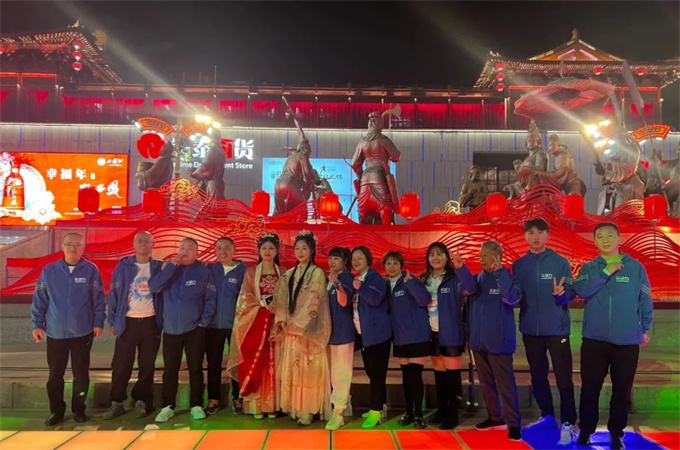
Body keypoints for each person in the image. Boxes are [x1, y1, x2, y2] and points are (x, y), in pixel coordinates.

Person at [574, 222, 653, 450]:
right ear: (595, 241)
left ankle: (616, 433)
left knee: (622, 389)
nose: (605, 240)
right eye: (600, 236)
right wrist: (606, 272)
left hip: (626, 341)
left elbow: (645, 300)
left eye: (610, 235)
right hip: (594, 340)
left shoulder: (636, 268)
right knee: (590, 388)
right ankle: (586, 429)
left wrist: (644, 328)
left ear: (619, 239)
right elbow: (582, 291)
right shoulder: (589, 268)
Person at [512, 218, 577, 445]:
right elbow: (514, 295)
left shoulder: (560, 262)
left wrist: (561, 294)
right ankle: (547, 416)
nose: (536, 237)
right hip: (531, 330)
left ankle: (568, 421)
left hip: (557, 329)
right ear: (525, 236)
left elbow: (571, 294)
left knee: (563, 378)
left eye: (540, 232)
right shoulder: (519, 265)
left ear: (548, 235)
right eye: (531, 233)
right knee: (538, 376)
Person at [31, 232, 105, 426]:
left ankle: (79, 409)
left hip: (82, 331)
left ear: (83, 247)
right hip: (56, 332)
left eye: (77, 244)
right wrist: (37, 324)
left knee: (81, 373)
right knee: (55, 374)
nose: (73, 248)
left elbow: (98, 299)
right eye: (69, 244)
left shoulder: (91, 270)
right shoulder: (50, 270)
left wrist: (98, 322)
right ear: (62, 247)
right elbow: (40, 299)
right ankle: (56, 411)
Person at [149, 237, 217, 423]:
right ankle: (168, 406)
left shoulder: (203, 271)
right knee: (170, 369)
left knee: (195, 368)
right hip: (171, 329)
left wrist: (204, 321)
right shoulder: (169, 268)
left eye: (189, 249)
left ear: (197, 253)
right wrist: (171, 267)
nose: (184, 252)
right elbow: (154, 287)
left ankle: (196, 404)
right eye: (182, 248)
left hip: (194, 329)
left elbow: (210, 298)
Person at [271, 230, 331, 426]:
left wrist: (297, 324)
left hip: (308, 331)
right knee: (295, 369)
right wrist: (282, 320)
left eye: (304, 248)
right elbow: (280, 299)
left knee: (308, 371)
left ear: (312, 250)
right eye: (297, 248)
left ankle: (308, 409)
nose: (300, 252)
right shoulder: (289, 274)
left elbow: (314, 300)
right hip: (291, 330)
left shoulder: (317, 273)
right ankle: (296, 407)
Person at [104, 231, 163, 420]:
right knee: (121, 364)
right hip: (127, 322)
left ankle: (142, 400)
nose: (143, 244)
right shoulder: (123, 267)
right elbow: (114, 294)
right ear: (134, 244)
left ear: (152, 244)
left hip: (151, 322)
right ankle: (117, 402)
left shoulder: (158, 267)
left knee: (147, 365)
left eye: (147, 241)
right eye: (139, 240)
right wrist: (113, 320)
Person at [467, 241, 523, 441]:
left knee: (506, 384)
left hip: (499, 342)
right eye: (480, 255)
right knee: (486, 383)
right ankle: (495, 418)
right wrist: (460, 269)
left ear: (497, 256)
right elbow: (466, 291)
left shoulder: (509, 277)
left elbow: (512, 297)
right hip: (479, 342)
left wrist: (500, 273)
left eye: (486, 255)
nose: (481, 259)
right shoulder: (478, 279)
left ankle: (514, 423)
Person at [226, 233, 283, 420]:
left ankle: (272, 404)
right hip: (256, 321)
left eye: (271, 248)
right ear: (259, 251)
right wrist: (263, 305)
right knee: (256, 360)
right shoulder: (250, 273)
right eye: (264, 248)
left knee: (275, 361)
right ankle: (256, 405)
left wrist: (276, 307)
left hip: (276, 322)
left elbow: (287, 296)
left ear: (277, 251)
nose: (267, 251)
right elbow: (245, 297)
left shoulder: (283, 272)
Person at [421, 242, 476, 430]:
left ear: (446, 257)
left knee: (452, 376)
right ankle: (441, 411)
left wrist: (461, 268)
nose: (435, 258)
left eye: (440, 254)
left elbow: (471, 288)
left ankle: (453, 415)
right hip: (432, 333)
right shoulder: (425, 279)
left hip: (451, 332)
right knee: (439, 376)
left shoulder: (454, 278)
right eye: (432, 254)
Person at [383, 251, 430, 429]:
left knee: (415, 376)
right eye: (388, 263)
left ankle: (419, 415)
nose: (392, 267)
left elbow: (425, 299)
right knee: (405, 377)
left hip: (417, 336)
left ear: (401, 265)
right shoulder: (386, 285)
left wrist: (410, 284)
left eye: (395, 263)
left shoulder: (410, 280)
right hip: (400, 338)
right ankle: (408, 412)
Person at [205, 237, 248, 415]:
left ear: (234, 250)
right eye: (219, 248)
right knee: (213, 363)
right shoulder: (210, 269)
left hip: (235, 326)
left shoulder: (243, 271)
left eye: (227, 248)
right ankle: (213, 398)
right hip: (213, 325)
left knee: (237, 363)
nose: (223, 252)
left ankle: (238, 398)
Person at [350, 245, 391, 428]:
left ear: (368, 259)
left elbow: (375, 299)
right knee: (372, 372)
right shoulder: (358, 279)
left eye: (360, 258)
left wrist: (361, 287)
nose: (356, 261)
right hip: (365, 334)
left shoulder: (374, 278)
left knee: (377, 374)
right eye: (354, 259)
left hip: (378, 334)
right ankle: (381, 406)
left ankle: (375, 411)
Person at [325, 246, 357, 430]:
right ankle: (345, 406)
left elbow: (344, 301)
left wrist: (337, 284)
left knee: (341, 374)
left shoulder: (346, 278)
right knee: (334, 374)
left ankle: (338, 412)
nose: (332, 261)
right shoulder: (329, 279)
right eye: (330, 258)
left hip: (343, 332)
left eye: (336, 258)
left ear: (345, 261)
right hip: (329, 333)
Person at [351, 111, 401, 224]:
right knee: (385, 206)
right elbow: (396, 157)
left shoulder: (362, 142)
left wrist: (360, 175)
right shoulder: (383, 140)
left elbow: (355, 163)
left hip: (365, 179)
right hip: (380, 176)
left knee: (362, 211)